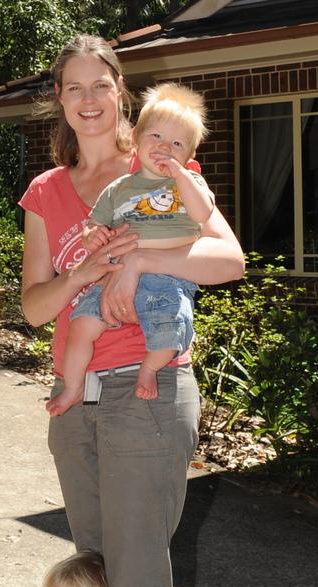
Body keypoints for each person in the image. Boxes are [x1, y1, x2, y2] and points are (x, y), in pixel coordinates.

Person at [19, 35, 245, 587]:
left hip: (148, 397)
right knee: (117, 581)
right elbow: (35, 308)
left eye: (100, 85)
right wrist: (84, 274)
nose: (88, 100)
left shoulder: (161, 163)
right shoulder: (47, 192)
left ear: (121, 90)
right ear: (61, 99)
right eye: (73, 88)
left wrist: (141, 262)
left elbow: (228, 258)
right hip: (75, 402)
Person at [48, 82, 214, 416]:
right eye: (156, 137)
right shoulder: (119, 188)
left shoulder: (189, 183)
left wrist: (181, 176)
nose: (164, 148)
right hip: (115, 274)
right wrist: (92, 234)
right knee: (80, 326)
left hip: (167, 279)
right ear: (136, 136)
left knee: (170, 330)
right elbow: (94, 223)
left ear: (189, 156)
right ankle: (73, 387)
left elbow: (202, 214)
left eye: (177, 144)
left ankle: (149, 370)